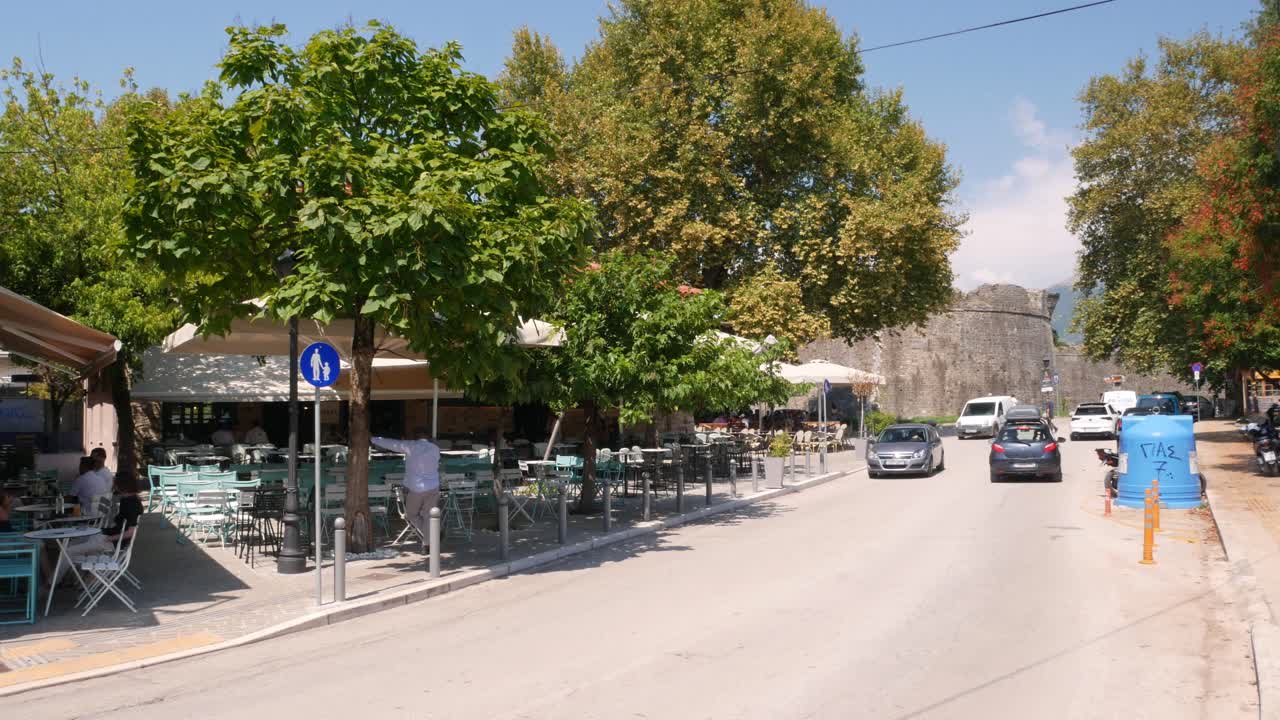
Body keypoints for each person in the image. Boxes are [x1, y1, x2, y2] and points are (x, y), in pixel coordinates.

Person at [371, 435, 440, 544]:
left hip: (416, 488)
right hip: (433, 487)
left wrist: (373, 439)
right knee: (428, 516)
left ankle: (431, 536)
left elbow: (392, 443)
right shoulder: (435, 448)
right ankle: (430, 540)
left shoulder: (411, 446)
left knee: (411, 515)